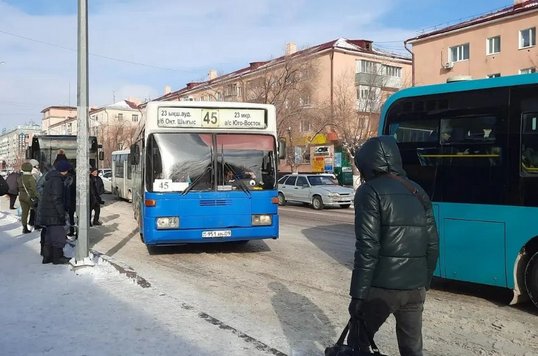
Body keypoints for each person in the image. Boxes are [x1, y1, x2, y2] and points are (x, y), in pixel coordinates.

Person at [348, 136, 439, 356]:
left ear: (368, 163)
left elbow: (367, 248)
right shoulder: (417, 191)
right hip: (415, 289)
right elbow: (433, 244)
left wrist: (358, 296)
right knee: (412, 349)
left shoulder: (369, 192)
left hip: (382, 288)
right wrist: (423, 282)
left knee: (357, 342)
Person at [41, 160, 71, 265]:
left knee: (49, 236)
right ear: (65, 170)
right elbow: (56, 199)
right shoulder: (57, 181)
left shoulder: (50, 179)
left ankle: (47, 257)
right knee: (58, 236)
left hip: (48, 212)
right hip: (54, 214)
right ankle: (57, 258)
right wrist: (61, 213)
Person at [17, 163, 40, 234]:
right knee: (37, 210)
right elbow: (34, 190)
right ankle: (37, 226)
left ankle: (25, 228)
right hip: (30, 197)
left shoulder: (20, 177)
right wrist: (40, 197)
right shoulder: (31, 178)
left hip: (22, 196)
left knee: (24, 213)